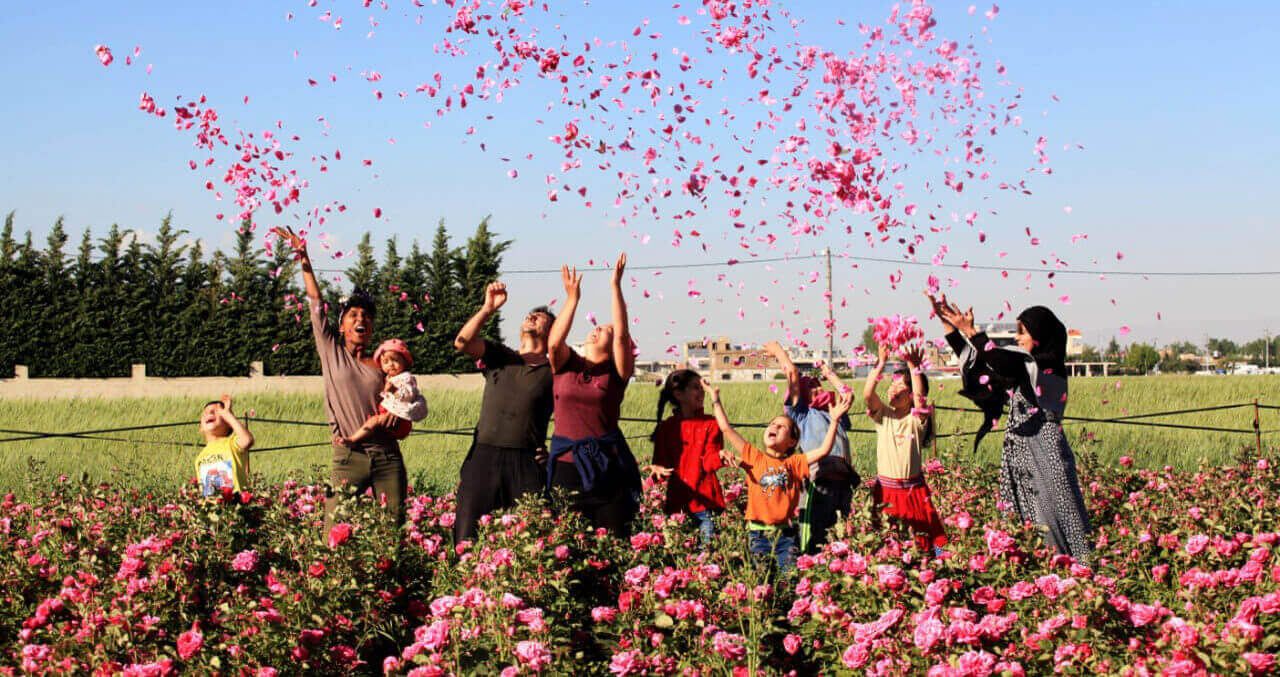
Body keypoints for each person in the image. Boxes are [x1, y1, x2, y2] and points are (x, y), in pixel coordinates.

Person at [927, 293, 1092, 561]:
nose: (1017, 338)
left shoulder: (1045, 365)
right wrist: (949, 326)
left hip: (1045, 453)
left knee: (1052, 516)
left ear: (1040, 334)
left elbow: (1003, 361)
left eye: (1022, 332)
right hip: (1021, 454)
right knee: (1022, 521)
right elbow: (981, 365)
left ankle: (1071, 572)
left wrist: (970, 330)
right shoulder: (1024, 370)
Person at [274, 226, 408, 523]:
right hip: (349, 457)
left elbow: (404, 404)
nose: (362, 320)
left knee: (393, 531)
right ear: (342, 325)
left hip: (388, 457)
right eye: (354, 316)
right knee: (334, 533)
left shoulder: (384, 365)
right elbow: (315, 303)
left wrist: (396, 417)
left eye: (367, 317)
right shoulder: (332, 352)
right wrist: (303, 257)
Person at [710, 379, 854, 573]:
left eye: (781, 427)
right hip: (758, 535)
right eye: (772, 424)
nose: (774, 427)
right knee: (761, 580)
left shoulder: (794, 463)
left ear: (793, 441)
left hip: (786, 536)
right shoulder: (754, 457)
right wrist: (715, 399)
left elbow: (823, 450)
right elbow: (726, 428)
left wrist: (835, 420)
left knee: (788, 580)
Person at [452, 281, 556, 542]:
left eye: (540, 318)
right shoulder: (501, 356)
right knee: (466, 534)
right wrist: (488, 308)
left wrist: (553, 455)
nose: (532, 316)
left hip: (526, 461)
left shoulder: (554, 371)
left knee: (533, 537)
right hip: (483, 455)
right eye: (529, 315)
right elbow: (463, 342)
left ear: (552, 332)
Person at [546, 254, 641, 536]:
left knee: (611, 541)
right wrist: (572, 298)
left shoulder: (615, 374)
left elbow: (623, 336)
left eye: (606, 330)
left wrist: (615, 285)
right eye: (596, 326)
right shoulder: (566, 364)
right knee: (566, 543)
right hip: (566, 468)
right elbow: (553, 342)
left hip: (606, 468)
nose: (598, 328)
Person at [762, 341, 859, 553]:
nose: (817, 388)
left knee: (841, 538)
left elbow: (848, 395)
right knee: (815, 539)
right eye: (811, 386)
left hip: (843, 485)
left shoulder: (834, 413)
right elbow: (793, 376)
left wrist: (829, 373)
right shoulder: (802, 415)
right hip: (818, 484)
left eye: (818, 384)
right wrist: (779, 352)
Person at [863, 343, 947, 554]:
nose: (893, 389)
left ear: (911, 394)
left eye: (901, 386)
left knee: (920, 546)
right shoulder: (883, 415)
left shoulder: (916, 420)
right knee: (886, 546)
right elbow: (867, 394)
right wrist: (880, 363)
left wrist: (914, 367)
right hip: (886, 491)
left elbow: (920, 399)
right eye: (892, 384)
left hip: (912, 492)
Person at [648, 369, 724, 544]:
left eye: (702, 387)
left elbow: (709, 461)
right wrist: (656, 470)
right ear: (678, 394)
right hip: (677, 505)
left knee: (708, 559)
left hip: (707, 504)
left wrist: (720, 456)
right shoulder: (666, 428)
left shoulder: (711, 423)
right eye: (696, 387)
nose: (702, 391)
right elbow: (660, 466)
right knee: (683, 560)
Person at [337, 339, 428, 447]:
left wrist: (394, 390)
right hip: (390, 417)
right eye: (386, 362)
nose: (391, 365)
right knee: (374, 424)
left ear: (404, 361)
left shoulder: (405, 378)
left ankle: (353, 439)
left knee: (374, 421)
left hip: (400, 419)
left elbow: (409, 395)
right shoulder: (389, 378)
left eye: (395, 360)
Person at [195, 395, 255, 496]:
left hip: (236, 506)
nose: (209, 413)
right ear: (200, 427)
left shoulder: (232, 443)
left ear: (228, 423)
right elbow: (203, 489)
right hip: (213, 509)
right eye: (205, 413)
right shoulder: (200, 458)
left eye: (217, 412)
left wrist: (227, 414)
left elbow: (247, 440)